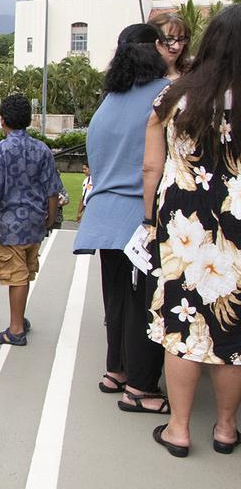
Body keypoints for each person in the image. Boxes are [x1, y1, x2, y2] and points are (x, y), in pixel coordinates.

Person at [143, 5, 241, 457]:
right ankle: (225, 429)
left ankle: (179, 430)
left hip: (184, 229)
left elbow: (151, 166)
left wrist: (149, 219)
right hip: (235, 229)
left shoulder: (174, 95)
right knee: (232, 333)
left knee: (182, 327)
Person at [74, 24, 171, 414]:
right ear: (156, 48)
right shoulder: (165, 95)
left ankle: (115, 370)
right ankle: (141, 388)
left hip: (104, 218)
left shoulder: (108, 102)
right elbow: (154, 166)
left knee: (115, 299)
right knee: (144, 305)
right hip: (140, 218)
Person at [0, 94, 63, 346]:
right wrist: (50, 218)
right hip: (35, 223)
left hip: (9, 225)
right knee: (24, 274)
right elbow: (52, 190)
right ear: (28, 119)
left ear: (2, 120)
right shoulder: (42, 149)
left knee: (16, 277)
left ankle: (15, 329)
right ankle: (19, 319)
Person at [149, 12, 191, 80]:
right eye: (169, 39)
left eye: (181, 39)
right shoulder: (146, 80)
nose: (176, 47)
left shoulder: (194, 70)